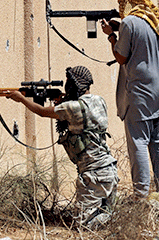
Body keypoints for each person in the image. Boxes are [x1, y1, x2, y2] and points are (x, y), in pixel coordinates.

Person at [6, 66, 118, 228]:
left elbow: (42, 112)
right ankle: (112, 218)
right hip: (109, 170)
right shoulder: (99, 101)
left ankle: (115, 223)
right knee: (102, 214)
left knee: (83, 225)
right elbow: (81, 120)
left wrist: (21, 99)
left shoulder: (72, 107)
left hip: (94, 175)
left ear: (74, 85)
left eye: (69, 83)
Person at [101, 0, 159, 200]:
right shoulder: (156, 19)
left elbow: (121, 57)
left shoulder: (129, 22)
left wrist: (111, 36)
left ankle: (141, 195)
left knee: (138, 141)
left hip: (143, 93)